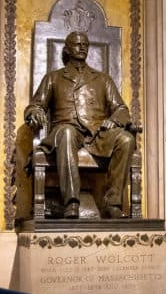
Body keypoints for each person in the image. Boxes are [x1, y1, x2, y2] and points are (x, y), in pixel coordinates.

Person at [24, 31, 135, 219]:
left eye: (85, 44)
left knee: (126, 139)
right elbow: (36, 104)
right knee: (66, 132)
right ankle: (71, 203)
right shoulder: (54, 77)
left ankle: (112, 203)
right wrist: (35, 113)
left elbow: (122, 109)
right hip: (65, 130)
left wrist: (114, 120)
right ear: (67, 49)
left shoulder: (102, 79)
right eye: (76, 44)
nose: (82, 47)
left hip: (97, 133)